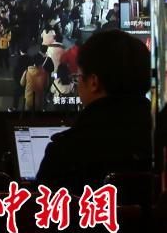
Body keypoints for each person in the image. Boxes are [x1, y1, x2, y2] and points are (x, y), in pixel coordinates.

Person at [37, 30, 152, 190]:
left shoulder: (65, 153)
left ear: (93, 82)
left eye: (79, 76)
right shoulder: (157, 138)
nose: (78, 83)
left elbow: (41, 203)